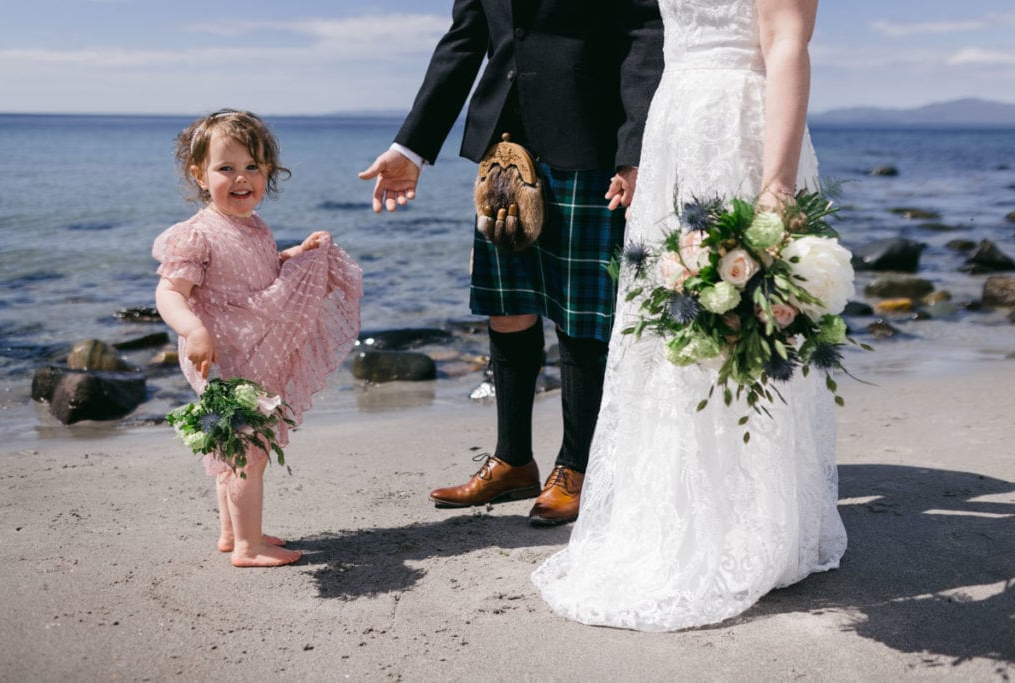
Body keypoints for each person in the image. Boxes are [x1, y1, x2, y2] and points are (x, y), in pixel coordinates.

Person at [532, 0, 848, 630]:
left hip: (740, 127)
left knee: (741, 322)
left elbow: (788, 43)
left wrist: (776, 183)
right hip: (675, 123)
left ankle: (755, 519)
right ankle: (675, 510)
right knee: (671, 321)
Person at [359, 1, 663, 525]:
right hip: (505, 146)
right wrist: (410, 148)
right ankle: (513, 461)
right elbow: (464, 41)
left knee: (581, 311)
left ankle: (577, 468)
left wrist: (635, 148)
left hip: (590, 138)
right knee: (507, 305)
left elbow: (645, 34)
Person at [153, 109, 363, 567]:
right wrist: (193, 329)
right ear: (200, 176)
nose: (241, 178)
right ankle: (248, 548)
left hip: (253, 348)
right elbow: (169, 292)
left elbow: (259, 274)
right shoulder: (195, 235)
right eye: (226, 168)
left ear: (269, 172)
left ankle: (233, 532)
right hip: (222, 353)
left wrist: (298, 255)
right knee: (250, 448)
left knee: (231, 445)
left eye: (253, 167)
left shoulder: (254, 227)